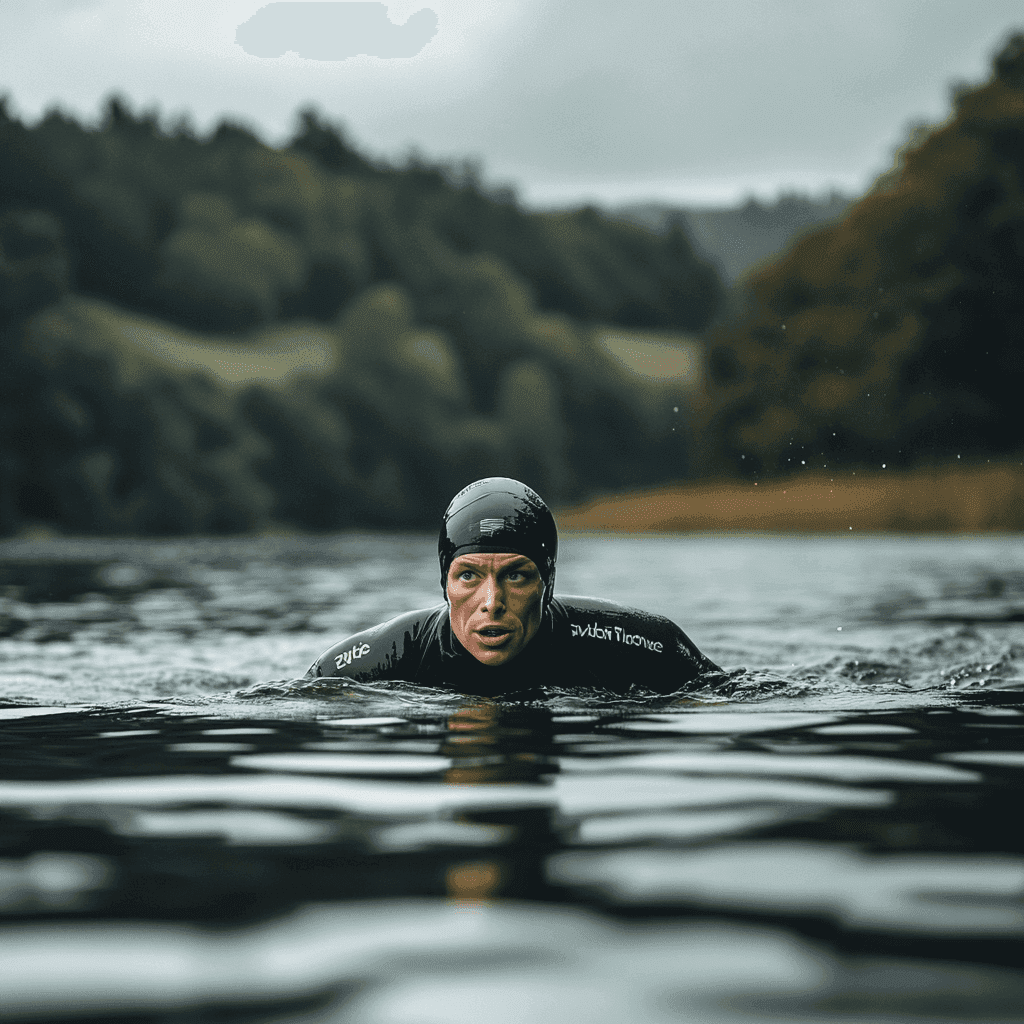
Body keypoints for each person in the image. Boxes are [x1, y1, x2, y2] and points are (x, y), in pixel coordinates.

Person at [305, 477, 720, 697]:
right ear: (444, 583)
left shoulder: (641, 642)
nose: (492, 602)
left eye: (516, 575)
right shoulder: (385, 656)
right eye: (468, 576)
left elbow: (726, 694)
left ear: (548, 583)